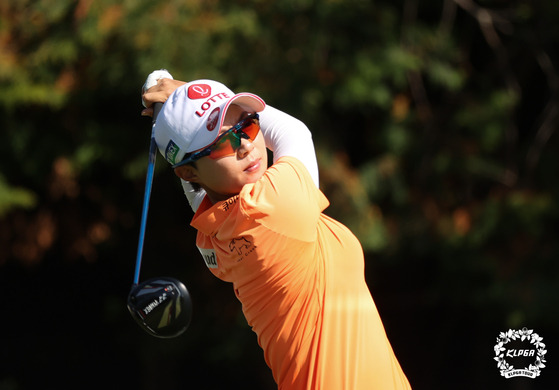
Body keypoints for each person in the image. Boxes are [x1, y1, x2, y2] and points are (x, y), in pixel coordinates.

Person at [141, 78, 411, 390]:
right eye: (223, 142)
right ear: (188, 171)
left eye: (248, 125)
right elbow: (293, 133)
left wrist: (181, 111)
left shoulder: (213, 235)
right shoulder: (275, 207)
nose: (245, 144)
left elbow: (200, 189)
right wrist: (183, 92)